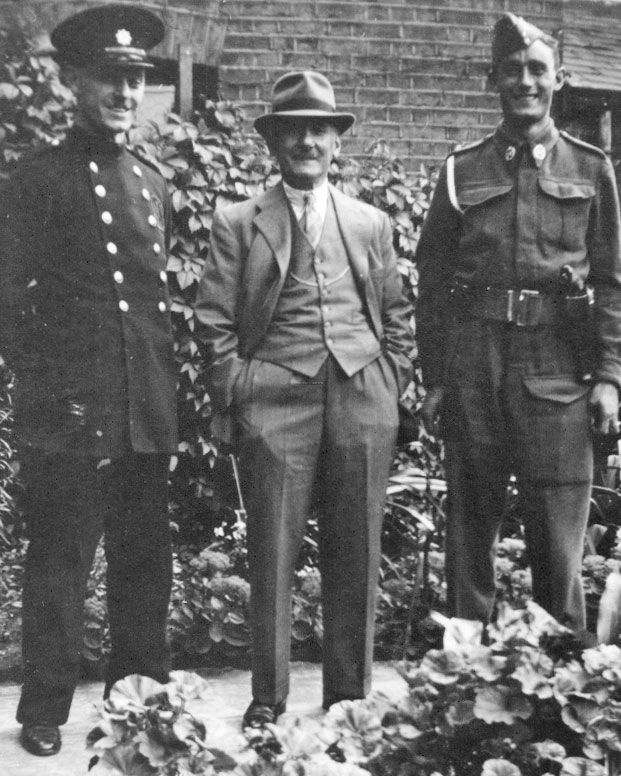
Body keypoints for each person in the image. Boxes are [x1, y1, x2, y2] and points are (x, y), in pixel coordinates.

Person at [194, 70, 414, 728]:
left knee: (356, 549)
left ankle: (348, 696)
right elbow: (213, 321)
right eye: (294, 130)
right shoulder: (237, 221)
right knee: (272, 550)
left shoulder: (369, 223)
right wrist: (239, 390)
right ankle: (268, 697)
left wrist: (392, 381)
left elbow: (395, 314)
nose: (307, 141)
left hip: (359, 392)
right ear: (275, 142)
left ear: (335, 142)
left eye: (319, 129)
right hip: (275, 399)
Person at [0, 4, 178, 756]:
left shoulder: (151, 183)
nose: (124, 92)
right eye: (110, 78)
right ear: (76, 81)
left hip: (144, 401)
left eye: (135, 79)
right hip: (67, 408)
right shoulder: (35, 180)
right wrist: (50, 386)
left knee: (144, 558)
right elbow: (8, 301)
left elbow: (150, 305)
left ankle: (138, 700)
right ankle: (43, 707)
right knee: (61, 560)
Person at [416, 13, 621, 633]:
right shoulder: (462, 170)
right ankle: (464, 679)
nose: (525, 82)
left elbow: (613, 281)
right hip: (476, 368)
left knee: (558, 543)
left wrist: (610, 376)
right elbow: (431, 282)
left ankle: (557, 689)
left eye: (537, 70)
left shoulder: (592, 170)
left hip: (559, 371)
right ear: (492, 80)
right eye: (512, 71)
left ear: (558, 80)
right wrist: (437, 377)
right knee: (469, 536)